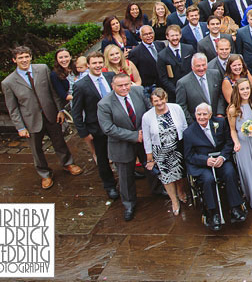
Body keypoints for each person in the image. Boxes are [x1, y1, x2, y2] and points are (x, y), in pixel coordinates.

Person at [2, 46, 83, 190]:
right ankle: (45, 174)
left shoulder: (42, 69)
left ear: (31, 57)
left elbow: (53, 92)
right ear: (14, 60)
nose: (24, 60)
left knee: (59, 141)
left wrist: (60, 110)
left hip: (51, 114)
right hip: (30, 120)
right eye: (20, 58)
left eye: (26, 56)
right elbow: (13, 108)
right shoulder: (8, 82)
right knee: (36, 149)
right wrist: (20, 127)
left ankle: (68, 163)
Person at [182, 102, 246, 230]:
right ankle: (212, 213)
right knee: (208, 179)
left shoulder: (220, 123)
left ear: (210, 115)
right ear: (195, 115)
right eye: (199, 114)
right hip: (202, 164)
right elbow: (189, 156)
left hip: (220, 158)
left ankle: (235, 208)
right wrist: (205, 160)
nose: (201, 117)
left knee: (229, 172)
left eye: (205, 114)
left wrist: (222, 157)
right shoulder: (189, 133)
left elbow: (229, 142)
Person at [97, 72, 150, 221]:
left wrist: (143, 132)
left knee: (150, 166)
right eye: (120, 86)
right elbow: (108, 128)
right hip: (121, 144)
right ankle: (129, 204)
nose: (124, 88)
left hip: (143, 139)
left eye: (127, 84)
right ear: (113, 86)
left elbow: (149, 111)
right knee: (125, 177)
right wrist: (134, 136)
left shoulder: (138, 91)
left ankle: (157, 189)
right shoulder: (104, 104)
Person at [70, 52, 117, 198]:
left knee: (122, 151)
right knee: (102, 158)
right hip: (96, 128)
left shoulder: (110, 77)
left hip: (116, 123)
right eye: (94, 63)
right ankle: (109, 185)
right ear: (88, 65)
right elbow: (76, 112)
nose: (97, 65)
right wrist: (84, 133)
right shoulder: (80, 85)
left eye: (100, 62)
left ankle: (128, 173)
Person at [141, 86, 188, 215]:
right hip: (161, 151)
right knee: (167, 178)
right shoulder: (147, 117)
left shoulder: (176, 108)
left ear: (165, 98)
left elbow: (184, 126)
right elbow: (147, 137)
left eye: (161, 100)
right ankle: (174, 200)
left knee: (179, 174)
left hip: (177, 148)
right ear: (152, 102)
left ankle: (181, 191)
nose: (160, 103)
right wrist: (149, 156)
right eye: (156, 101)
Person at [226, 76, 252, 208]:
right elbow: (233, 130)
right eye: (242, 89)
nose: (245, 91)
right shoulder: (233, 109)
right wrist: (236, 142)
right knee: (249, 171)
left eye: (247, 88)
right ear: (237, 91)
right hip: (244, 144)